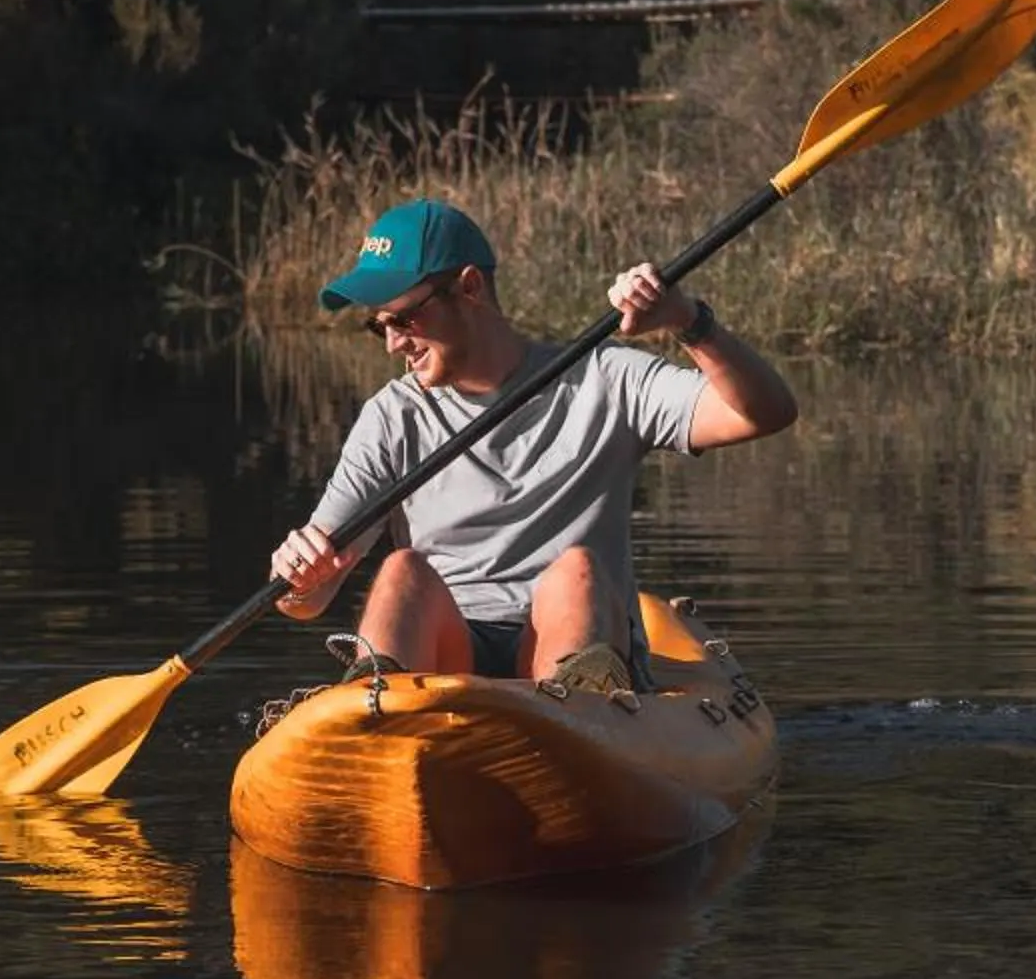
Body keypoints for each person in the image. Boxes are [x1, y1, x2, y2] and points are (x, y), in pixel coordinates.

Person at [268, 198, 797, 693]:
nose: (392, 343)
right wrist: (298, 577)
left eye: (404, 319)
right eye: (377, 325)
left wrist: (688, 321)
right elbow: (305, 603)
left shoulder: (606, 379)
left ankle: (580, 707)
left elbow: (763, 413)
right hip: (453, 656)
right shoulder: (391, 416)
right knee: (401, 572)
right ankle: (381, 716)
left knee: (576, 571)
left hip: (570, 641)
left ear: (470, 288)